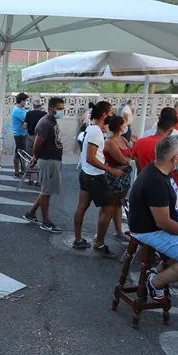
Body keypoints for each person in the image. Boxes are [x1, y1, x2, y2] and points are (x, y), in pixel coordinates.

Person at [129, 135, 178, 302]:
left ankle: (157, 272)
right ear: (175, 158)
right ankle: (156, 282)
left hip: (164, 225)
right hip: (150, 230)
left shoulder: (162, 171)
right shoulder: (155, 180)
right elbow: (163, 222)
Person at [73, 101, 121, 257]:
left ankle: (78, 239)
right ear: (103, 114)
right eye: (111, 112)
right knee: (109, 208)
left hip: (87, 175)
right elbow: (90, 158)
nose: (113, 115)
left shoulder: (92, 128)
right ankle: (99, 244)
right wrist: (111, 170)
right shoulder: (95, 131)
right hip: (94, 176)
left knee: (82, 206)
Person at [24, 97, 65, 233]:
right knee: (46, 191)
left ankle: (31, 213)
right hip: (48, 160)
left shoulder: (52, 121)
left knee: (45, 190)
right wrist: (36, 156)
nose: (61, 111)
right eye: (59, 108)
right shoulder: (45, 123)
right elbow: (37, 144)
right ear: (51, 108)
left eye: (62, 108)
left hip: (52, 159)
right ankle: (46, 221)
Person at [103, 115, 133, 241]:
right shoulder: (110, 142)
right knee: (110, 206)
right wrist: (131, 159)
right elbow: (122, 159)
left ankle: (118, 231)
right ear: (119, 126)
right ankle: (100, 236)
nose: (126, 126)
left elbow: (131, 153)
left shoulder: (123, 139)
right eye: (124, 124)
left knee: (119, 203)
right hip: (114, 176)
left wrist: (131, 157)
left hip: (124, 176)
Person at [134, 107, 178, 173]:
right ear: (171, 128)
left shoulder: (140, 141)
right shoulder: (177, 141)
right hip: (164, 181)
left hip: (143, 179)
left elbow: (137, 163)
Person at [11, 93, 29, 177]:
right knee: (19, 153)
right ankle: (18, 172)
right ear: (21, 101)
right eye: (25, 101)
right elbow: (27, 119)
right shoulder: (17, 111)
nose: (25, 102)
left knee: (20, 152)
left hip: (22, 134)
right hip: (20, 135)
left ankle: (21, 171)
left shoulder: (21, 109)